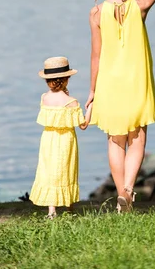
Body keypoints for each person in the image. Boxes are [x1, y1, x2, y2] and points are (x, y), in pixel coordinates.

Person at [86, 0, 155, 213]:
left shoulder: (97, 13)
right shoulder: (141, 5)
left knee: (116, 139)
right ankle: (128, 192)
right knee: (137, 138)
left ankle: (120, 195)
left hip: (109, 82)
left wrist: (92, 91)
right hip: (138, 80)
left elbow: (96, 55)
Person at [30, 56, 92, 219]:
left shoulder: (44, 98)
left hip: (48, 140)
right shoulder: (71, 102)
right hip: (66, 141)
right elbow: (83, 125)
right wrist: (91, 108)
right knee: (66, 170)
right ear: (66, 79)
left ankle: (52, 211)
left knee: (49, 171)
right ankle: (69, 206)